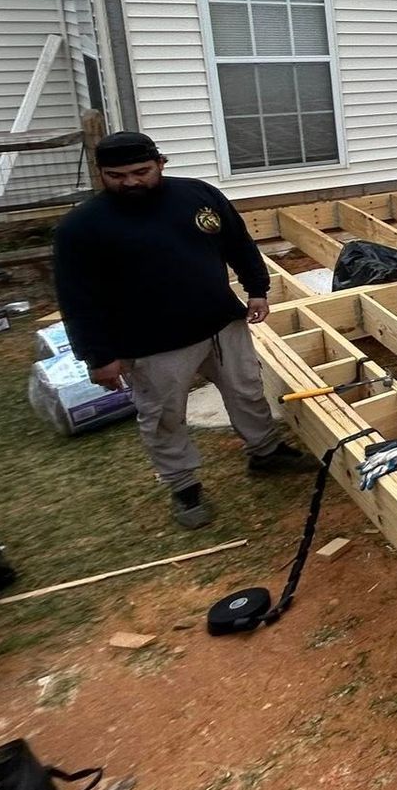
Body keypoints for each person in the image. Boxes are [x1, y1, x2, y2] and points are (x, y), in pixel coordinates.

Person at [53, 131, 312, 529]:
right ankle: (184, 486)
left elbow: (238, 243)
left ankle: (266, 451)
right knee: (163, 415)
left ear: (160, 163)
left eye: (141, 171)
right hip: (152, 342)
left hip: (220, 322)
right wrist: (99, 356)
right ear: (101, 173)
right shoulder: (82, 227)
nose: (131, 182)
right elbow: (76, 298)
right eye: (116, 175)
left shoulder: (197, 197)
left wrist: (256, 289)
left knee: (246, 390)